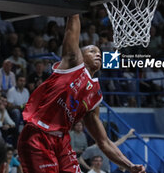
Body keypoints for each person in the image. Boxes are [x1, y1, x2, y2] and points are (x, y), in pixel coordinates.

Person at [17, 14, 145, 173]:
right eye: (92, 51)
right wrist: (75, 8)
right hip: (38, 134)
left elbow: (103, 141)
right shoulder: (72, 65)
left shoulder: (95, 96)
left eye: (99, 52)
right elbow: (71, 28)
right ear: (81, 56)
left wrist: (129, 165)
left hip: (61, 140)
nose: (97, 53)